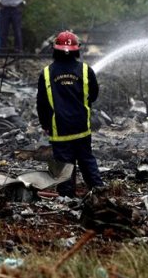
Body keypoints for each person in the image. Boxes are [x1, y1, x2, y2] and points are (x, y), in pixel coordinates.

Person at [36, 31, 103, 198]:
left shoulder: (46, 73)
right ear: (76, 50)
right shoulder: (86, 71)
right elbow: (93, 95)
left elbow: (42, 104)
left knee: (65, 165)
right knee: (87, 160)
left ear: (55, 50)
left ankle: (67, 199)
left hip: (59, 129)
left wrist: (45, 124)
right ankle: (99, 192)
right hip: (81, 127)